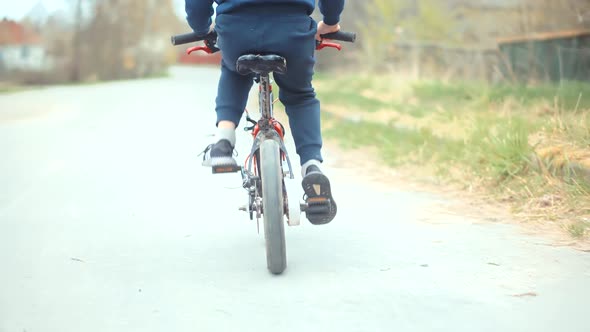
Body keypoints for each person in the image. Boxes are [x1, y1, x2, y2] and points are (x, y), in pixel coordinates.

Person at [185, 0, 345, 224]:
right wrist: (330, 22)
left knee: (234, 71)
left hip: (236, 30)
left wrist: (202, 28)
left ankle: (223, 141)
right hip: (293, 30)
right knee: (300, 95)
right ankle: (311, 167)